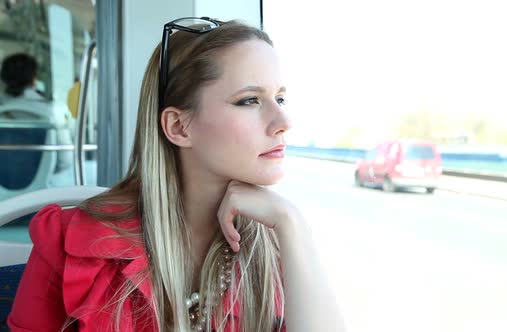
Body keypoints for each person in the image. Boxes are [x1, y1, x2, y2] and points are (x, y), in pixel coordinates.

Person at [8, 18, 347, 332]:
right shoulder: (67, 242)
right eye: (249, 100)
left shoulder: (280, 242)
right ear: (178, 126)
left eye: (280, 97)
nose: (284, 122)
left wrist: (291, 222)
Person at [0, 53, 73, 172]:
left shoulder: (3, 107)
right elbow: (65, 159)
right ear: (34, 78)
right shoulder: (51, 110)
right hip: (42, 185)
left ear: (4, 78)